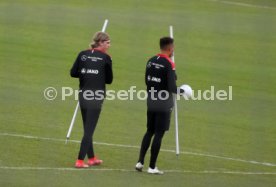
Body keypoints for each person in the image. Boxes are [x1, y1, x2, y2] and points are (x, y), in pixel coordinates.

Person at [135, 37, 183, 174]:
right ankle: (152, 167)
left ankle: (140, 162)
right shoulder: (169, 64)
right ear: (170, 48)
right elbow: (172, 88)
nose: (174, 49)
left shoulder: (150, 61)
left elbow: (147, 81)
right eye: (173, 47)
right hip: (164, 103)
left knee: (149, 131)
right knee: (159, 133)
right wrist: (183, 91)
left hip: (151, 100)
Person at [70, 32, 113, 168]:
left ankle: (92, 158)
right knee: (89, 130)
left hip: (83, 94)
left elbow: (73, 73)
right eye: (107, 42)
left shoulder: (82, 54)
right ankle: (80, 161)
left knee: (87, 127)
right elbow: (109, 80)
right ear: (100, 42)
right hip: (96, 96)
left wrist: (86, 71)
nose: (109, 45)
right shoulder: (106, 58)